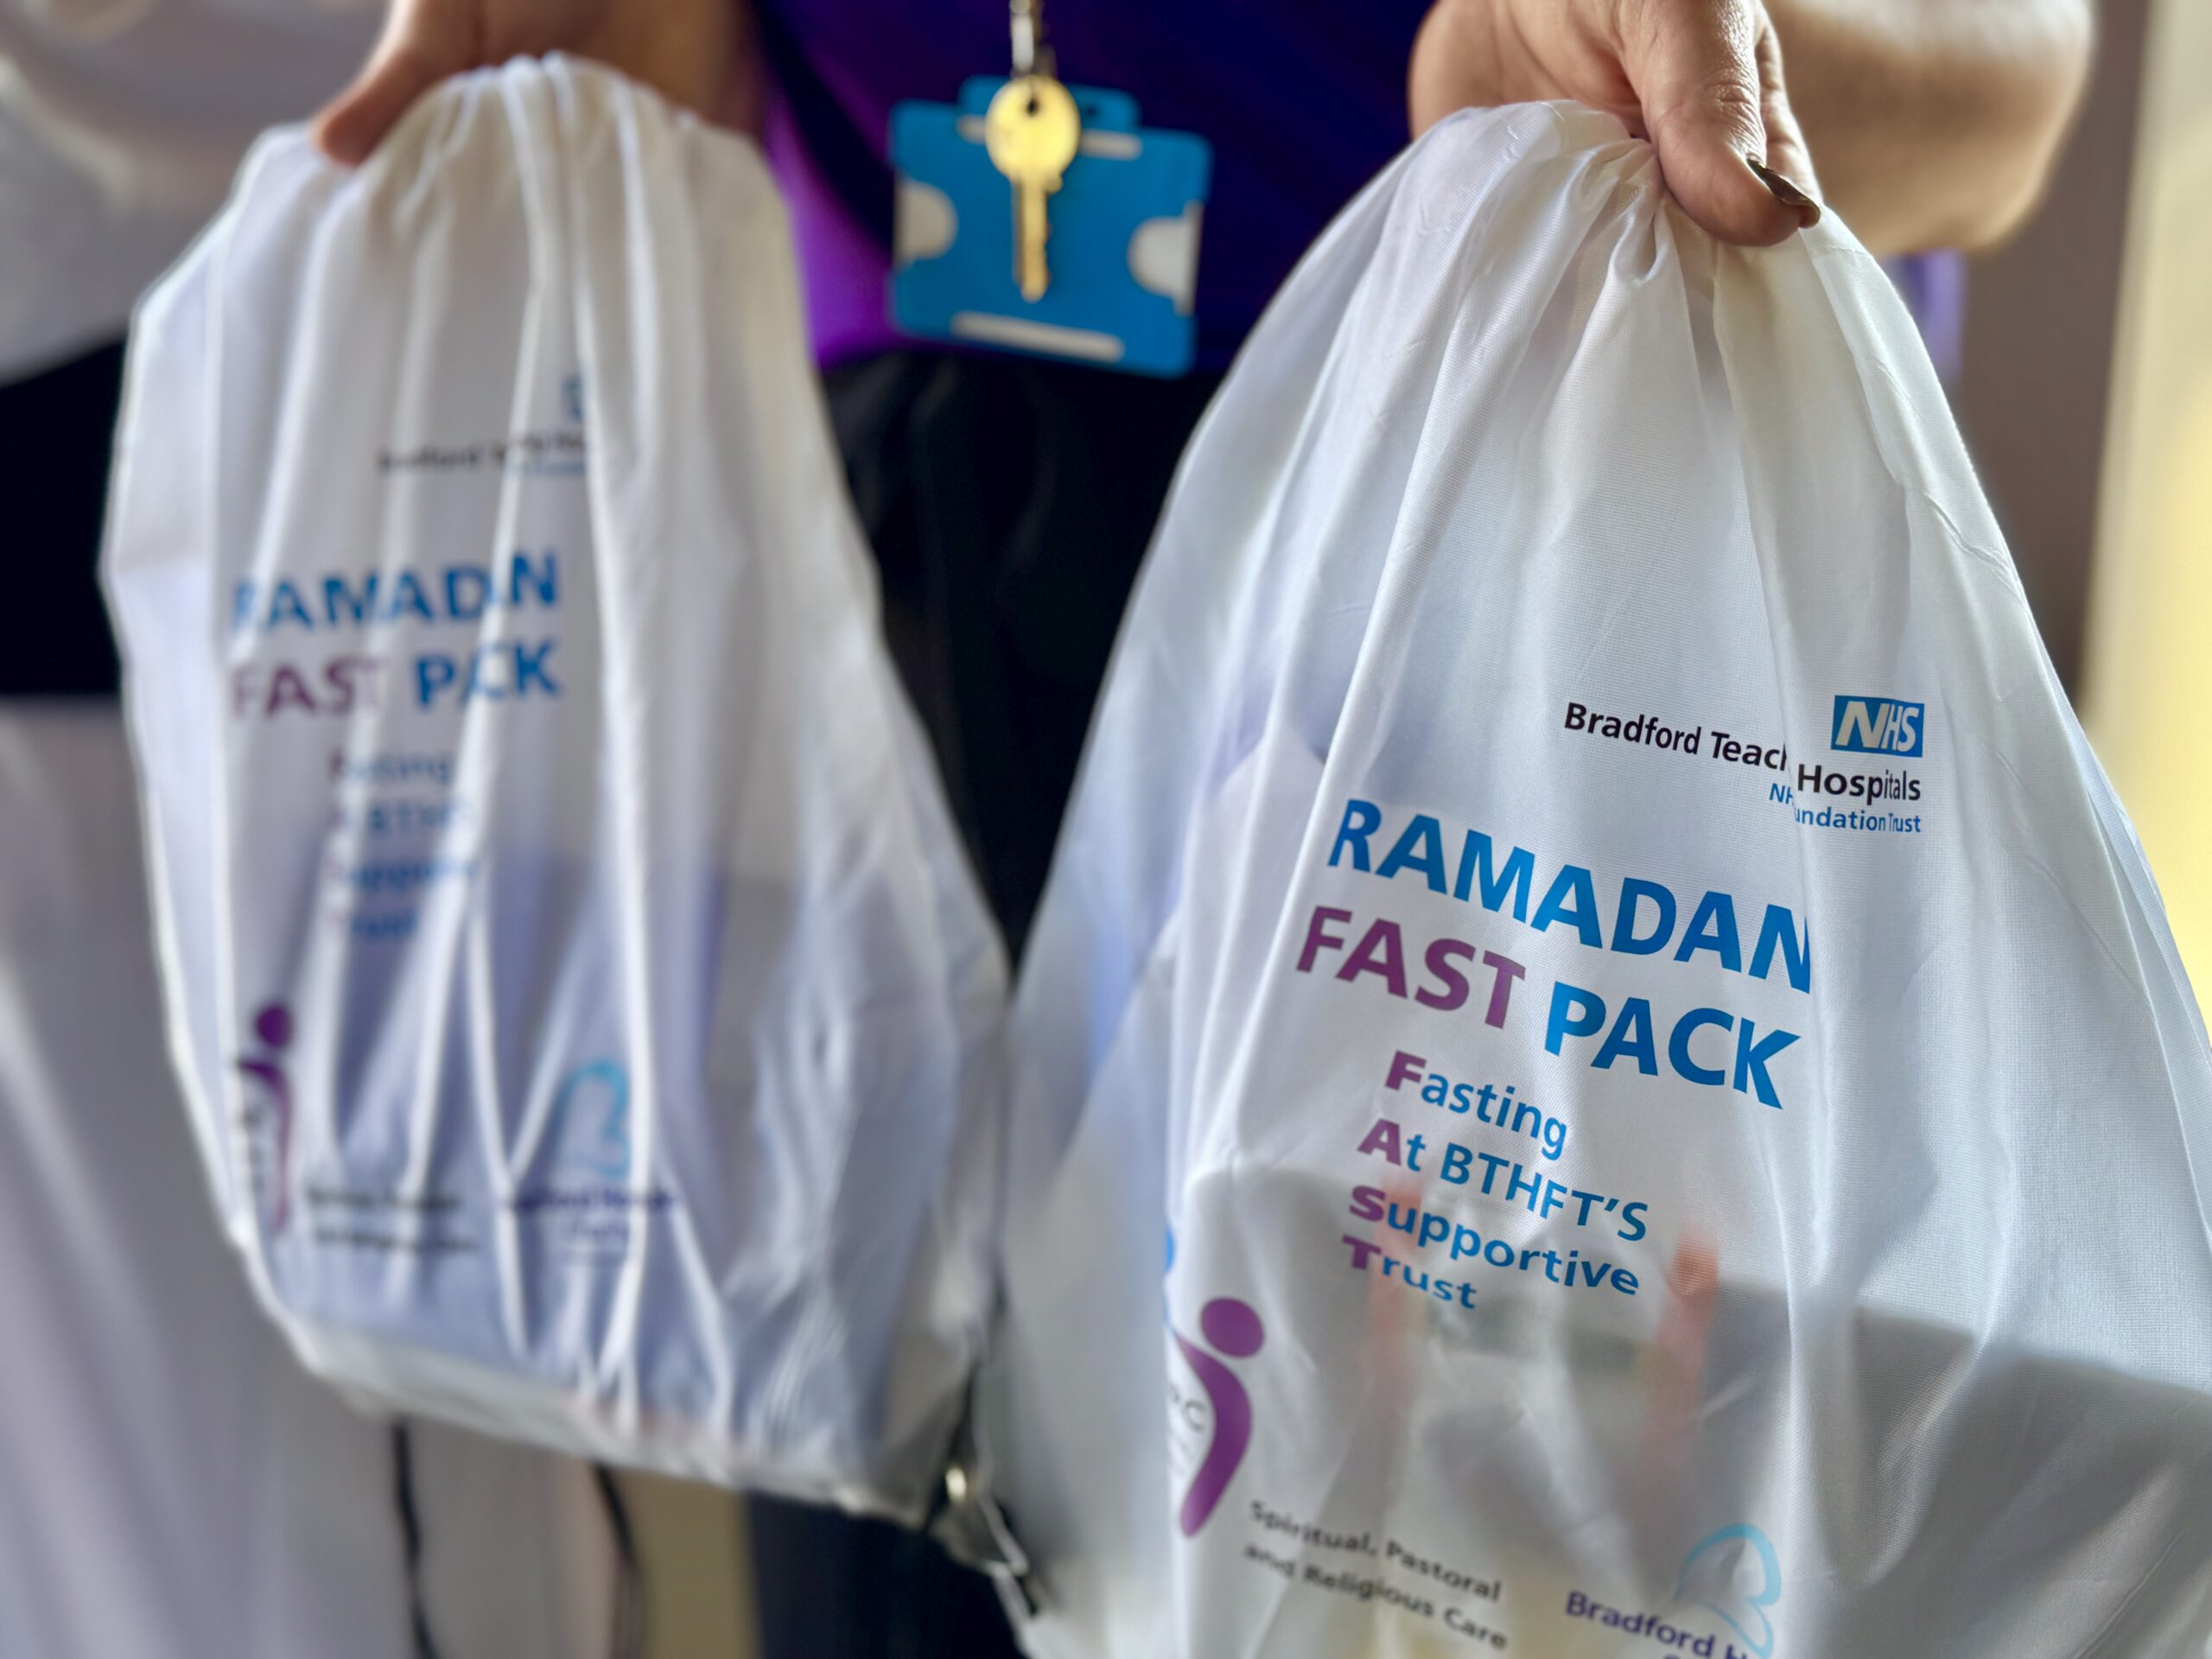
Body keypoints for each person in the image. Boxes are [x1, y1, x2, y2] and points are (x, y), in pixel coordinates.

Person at [0, 0, 2094, 1653]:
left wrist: (1708, 55)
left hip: (1542, 650)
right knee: (941, 1556)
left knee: (1518, 1569)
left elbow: (2012, 78)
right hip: (896, 650)